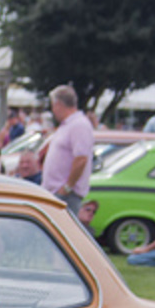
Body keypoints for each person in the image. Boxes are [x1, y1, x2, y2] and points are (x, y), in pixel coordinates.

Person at [40, 84, 93, 216]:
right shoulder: (69, 125)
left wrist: (67, 187)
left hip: (65, 195)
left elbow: (81, 159)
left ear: (57, 104)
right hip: (57, 192)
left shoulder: (79, 125)